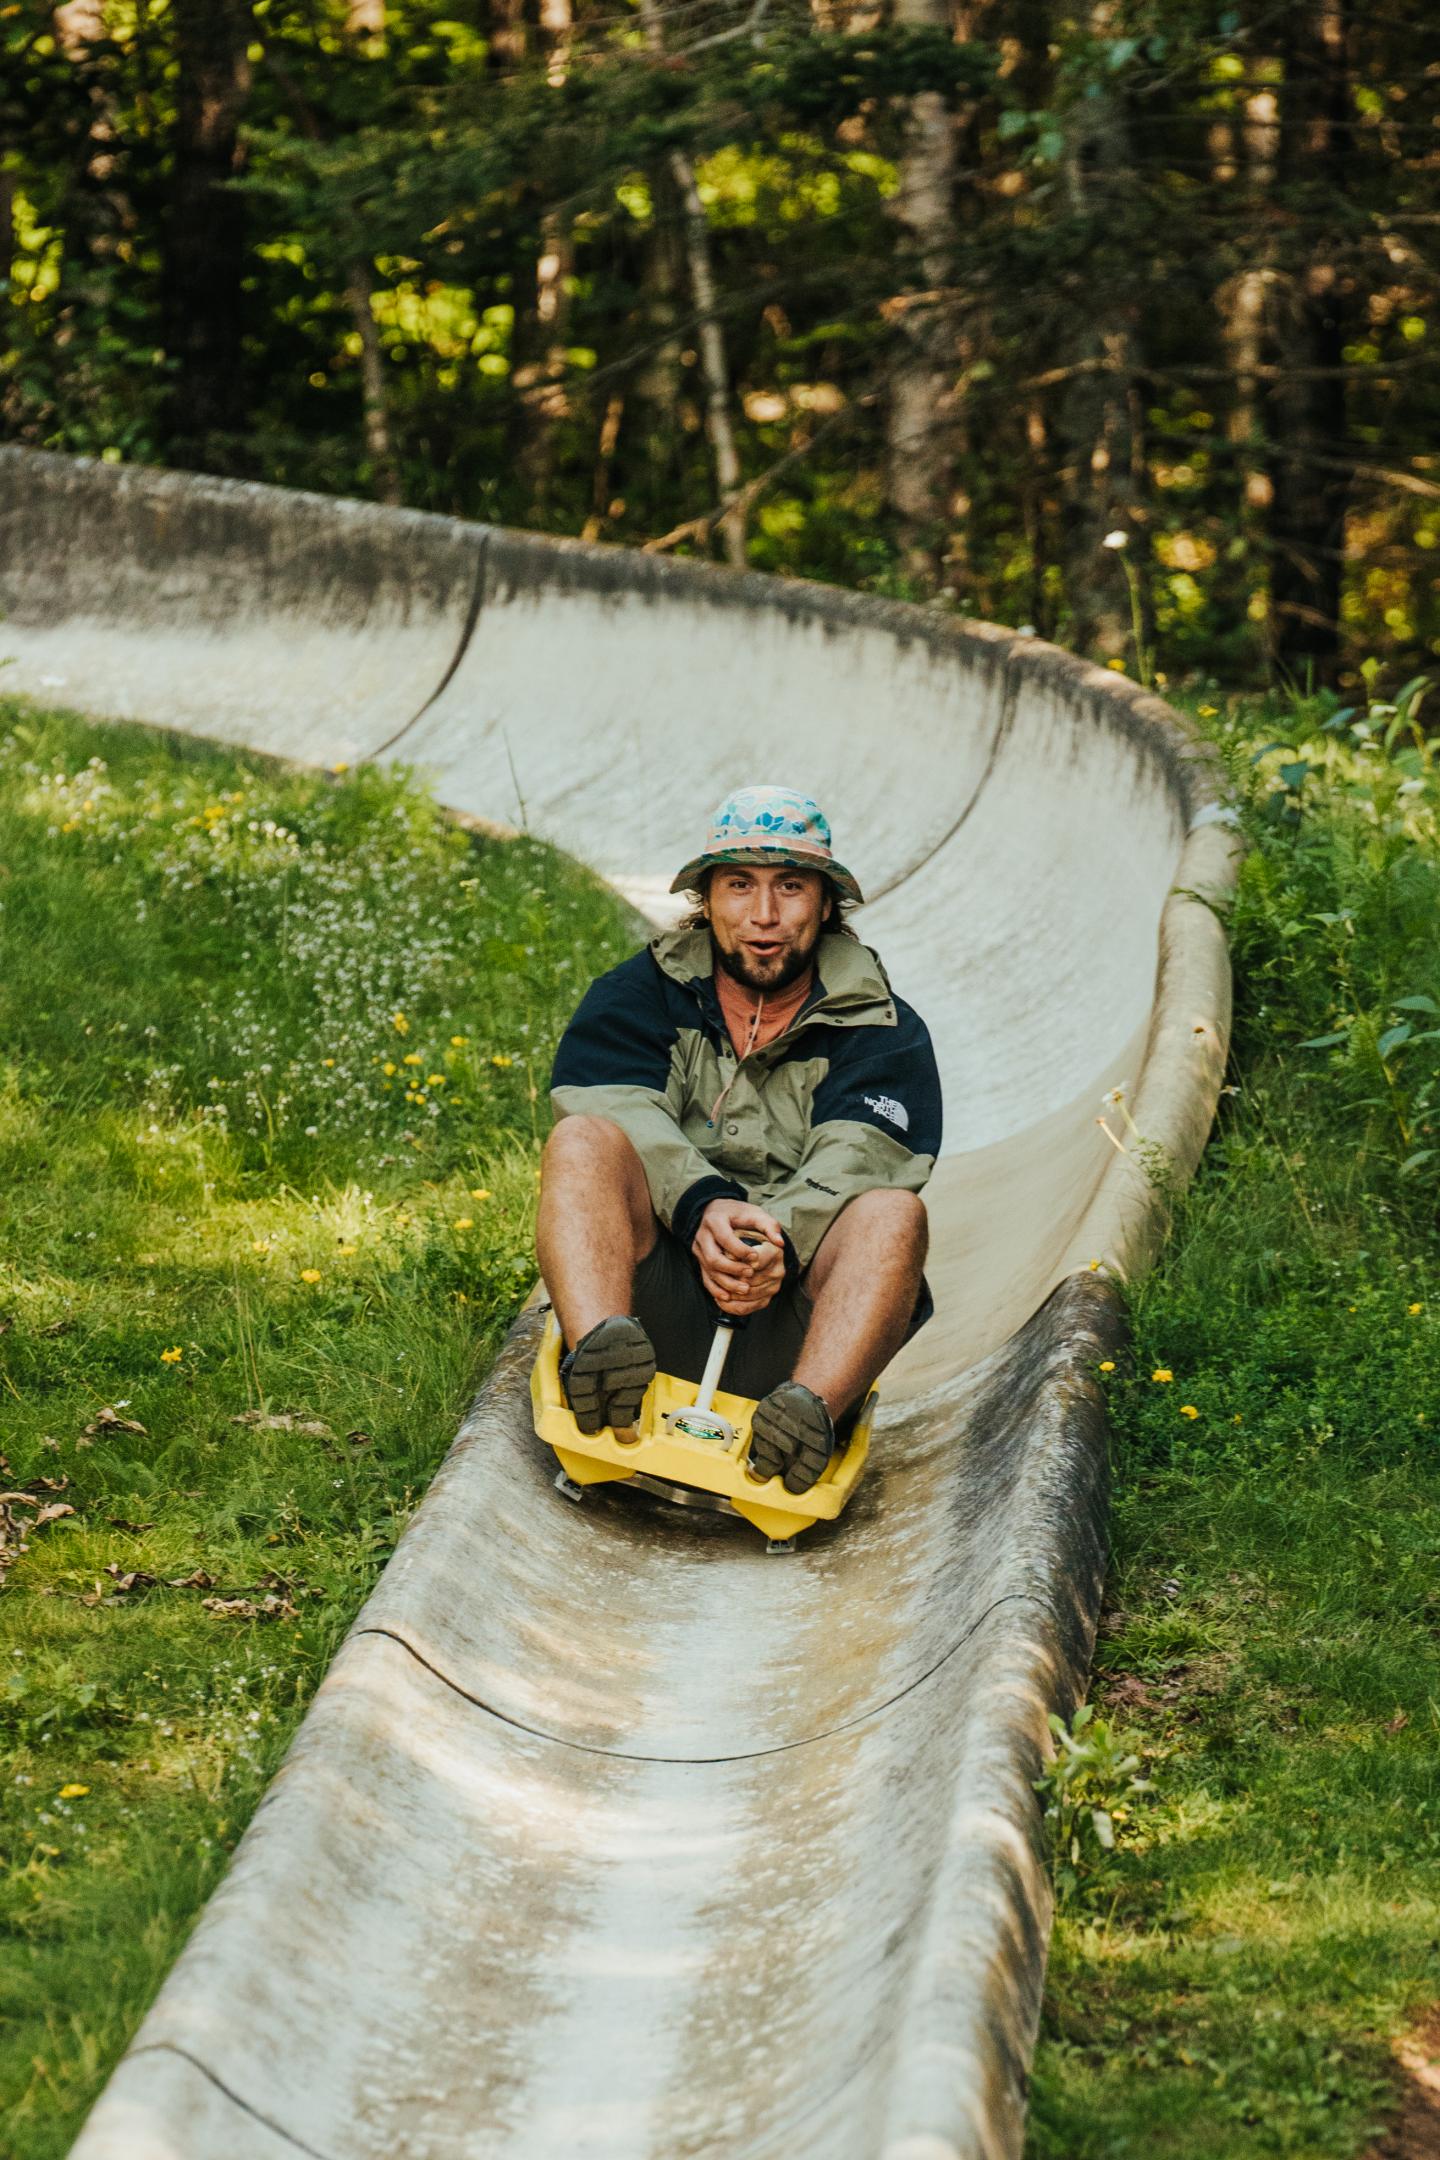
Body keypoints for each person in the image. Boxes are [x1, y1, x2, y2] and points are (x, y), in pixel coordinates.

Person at [537, 784, 942, 1496]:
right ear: (707, 898)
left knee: (895, 1214)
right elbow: (610, 1101)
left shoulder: (882, 1028)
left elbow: (866, 1154)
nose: (764, 915)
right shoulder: (641, 992)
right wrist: (700, 1207)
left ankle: (807, 1417)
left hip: (792, 1329)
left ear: (824, 904)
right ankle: (599, 1361)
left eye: (790, 887)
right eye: (739, 886)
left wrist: (767, 1242)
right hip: (650, 1299)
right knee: (581, 1141)